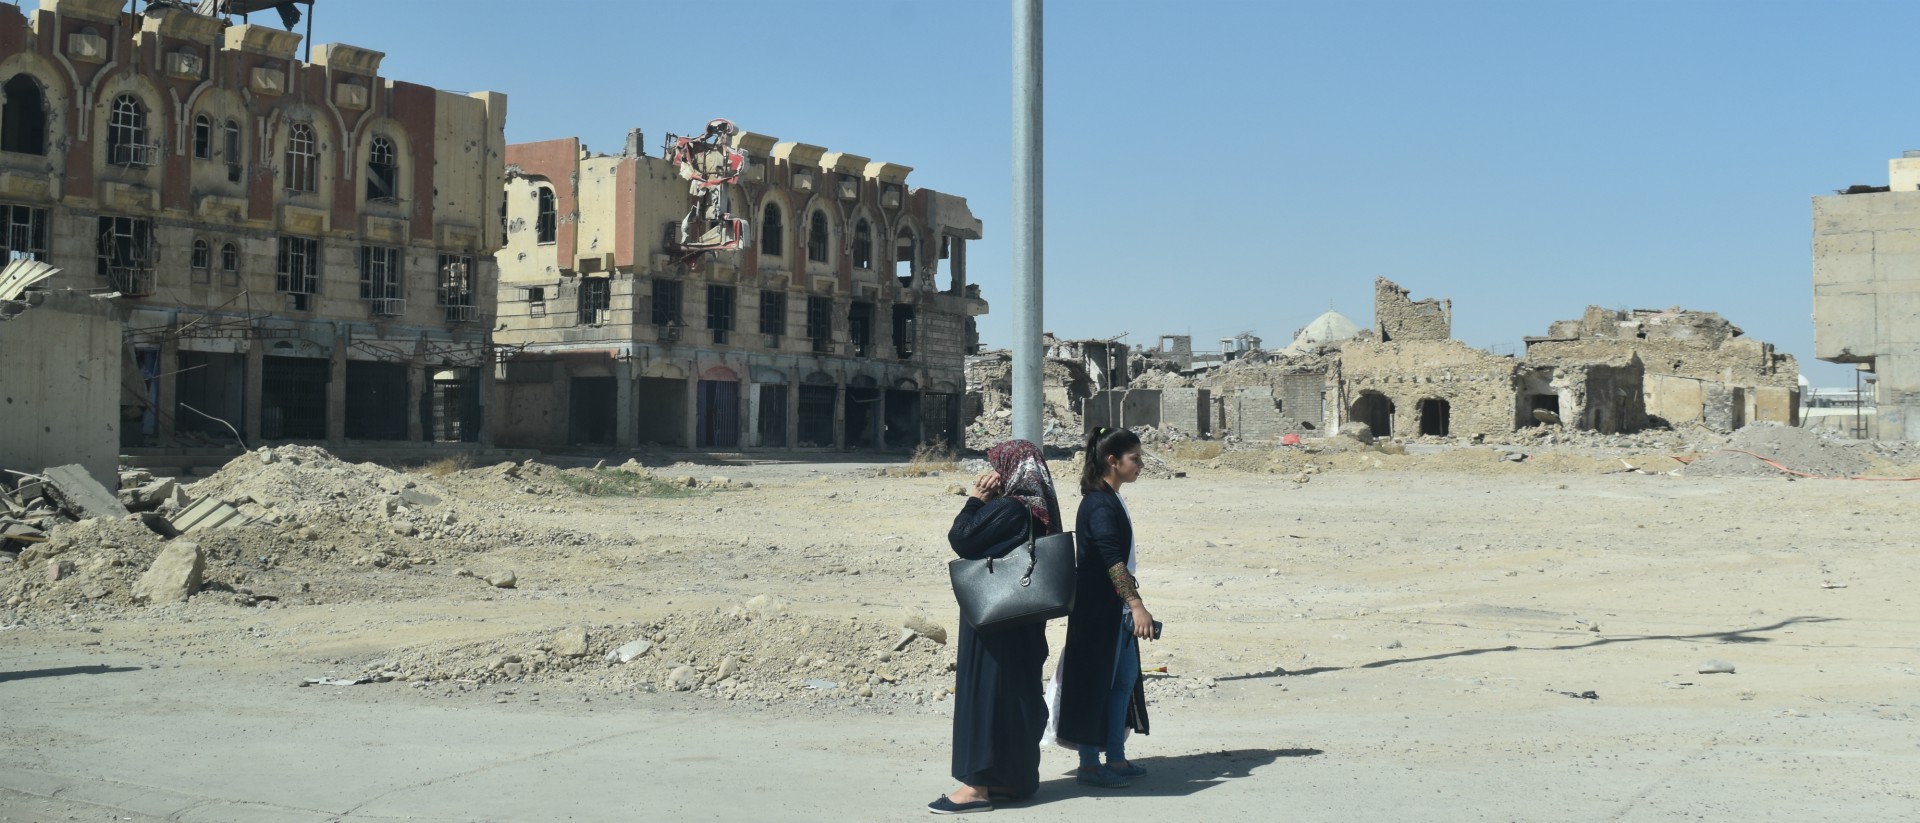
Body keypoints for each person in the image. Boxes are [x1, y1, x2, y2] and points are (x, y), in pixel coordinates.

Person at [933, 439, 1064, 815]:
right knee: (1016, 696)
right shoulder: (1040, 509)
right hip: (1024, 619)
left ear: (1010, 469)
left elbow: (962, 538)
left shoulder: (1011, 507)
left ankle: (975, 788)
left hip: (994, 622)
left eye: (997, 466)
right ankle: (1015, 779)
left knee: (984, 696)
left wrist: (975, 498)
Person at [1056, 425, 1152, 788]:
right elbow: (1113, 561)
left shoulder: (1110, 498)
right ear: (1113, 461)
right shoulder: (1098, 503)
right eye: (1135, 458)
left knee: (1122, 682)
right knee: (1095, 684)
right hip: (1099, 611)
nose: (1140, 465)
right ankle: (1090, 766)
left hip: (1115, 611)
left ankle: (1116, 757)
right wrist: (1136, 604)